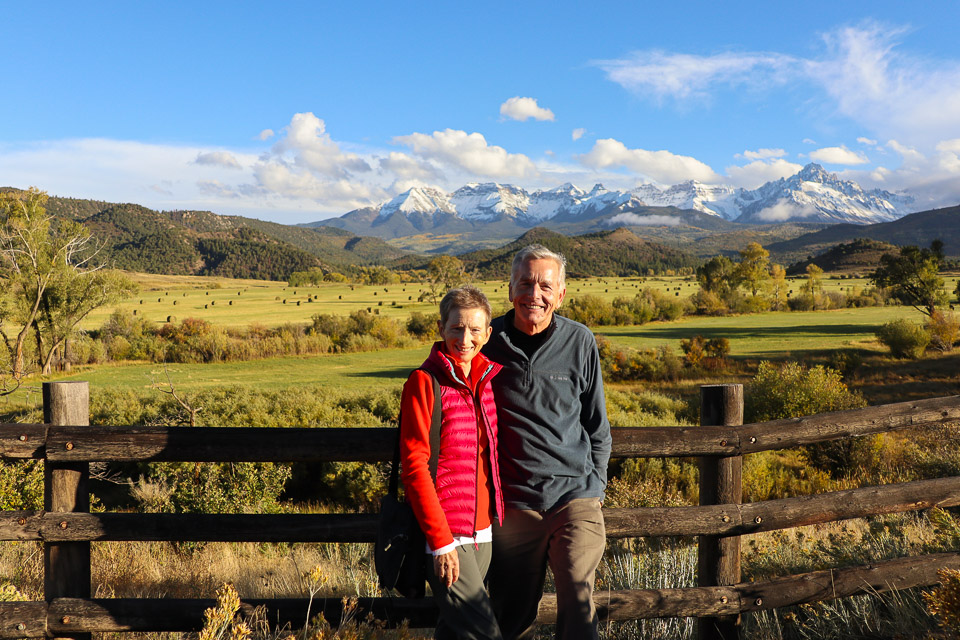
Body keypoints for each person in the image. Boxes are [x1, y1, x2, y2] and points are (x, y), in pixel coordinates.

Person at [483, 244, 611, 640]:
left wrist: (597, 485)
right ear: (509, 290)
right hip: (512, 503)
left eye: (544, 286)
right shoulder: (486, 343)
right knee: (510, 611)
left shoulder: (580, 341)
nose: (533, 295)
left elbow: (596, 423)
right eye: (525, 283)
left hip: (574, 497)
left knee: (576, 595)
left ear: (561, 294)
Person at [400, 285, 505, 640]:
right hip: (447, 534)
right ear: (442, 328)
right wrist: (441, 542)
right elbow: (414, 466)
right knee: (483, 633)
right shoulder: (424, 382)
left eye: (475, 329)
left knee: (454, 631)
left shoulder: (486, 380)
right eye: (457, 327)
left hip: (483, 531)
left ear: (488, 333)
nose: (465, 337)